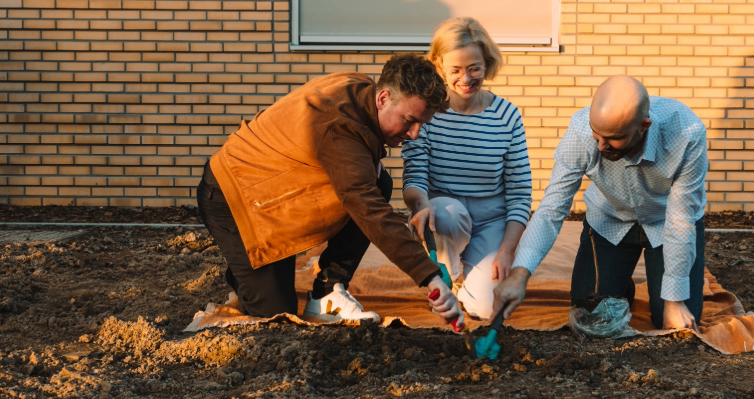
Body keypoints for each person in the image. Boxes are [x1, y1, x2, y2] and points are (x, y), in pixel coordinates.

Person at [196, 54, 460, 323]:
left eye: (421, 125)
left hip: (273, 188)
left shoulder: (361, 88)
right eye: (408, 120)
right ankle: (244, 270)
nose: (414, 134)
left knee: (378, 181)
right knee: (278, 316)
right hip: (234, 199)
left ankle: (326, 293)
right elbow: (369, 210)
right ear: (383, 98)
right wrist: (430, 277)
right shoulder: (342, 130)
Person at [492, 75, 708, 331]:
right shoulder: (581, 131)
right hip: (610, 221)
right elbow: (552, 208)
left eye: (614, 138)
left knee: (674, 323)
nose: (602, 146)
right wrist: (520, 273)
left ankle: (653, 295)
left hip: (666, 223)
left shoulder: (686, 134)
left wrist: (673, 301)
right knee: (591, 318)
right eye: (598, 135)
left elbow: (681, 219)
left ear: (644, 126)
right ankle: (618, 285)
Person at [401, 17, 532, 319]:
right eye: (456, 69)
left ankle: (466, 285)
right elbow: (415, 173)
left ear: (487, 63)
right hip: (445, 217)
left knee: (487, 309)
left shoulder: (507, 115)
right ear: (439, 65)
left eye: (475, 67)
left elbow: (520, 193)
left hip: (491, 219)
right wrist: (419, 205)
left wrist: (507, 252)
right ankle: (450, 274)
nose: (466, 78)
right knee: (446, 212)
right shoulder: (428, 113)